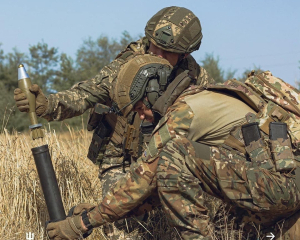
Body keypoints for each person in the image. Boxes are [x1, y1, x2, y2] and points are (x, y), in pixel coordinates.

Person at [46, 54, 300, 240]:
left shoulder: (183, 113)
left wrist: (82, 223)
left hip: (281, 189)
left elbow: (142, 180)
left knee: (174, 155)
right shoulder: (203, 95)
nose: (142, 118)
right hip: (280, 186)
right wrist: (99, 211)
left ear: (154, 93)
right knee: (224, 230)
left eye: (140, 109)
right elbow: (160, 186)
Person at [14, 6, 214, 239]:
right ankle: (92, 215)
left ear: (184, 54)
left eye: (165, 52)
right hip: (119, 154)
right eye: (153, 46)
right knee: (125, 231)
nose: (156, 55)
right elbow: (88, 93)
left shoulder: (195, 80)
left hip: (161, 157)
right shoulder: (127, 63)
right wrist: (48, 105)